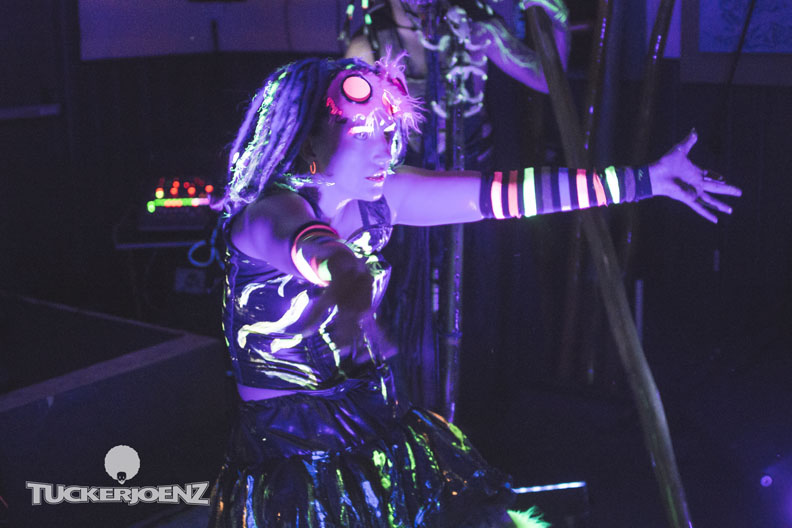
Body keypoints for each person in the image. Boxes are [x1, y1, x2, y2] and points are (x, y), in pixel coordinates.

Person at [206, 53, 740, 527]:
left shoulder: (380, 199)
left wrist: (646, 181)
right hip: (295, 457)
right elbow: (317, 249)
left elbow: (508, 195)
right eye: (362, 134)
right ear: (307, 137)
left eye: (388, 133)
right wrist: (348, 278)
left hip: (379, 426)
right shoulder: (269, 213)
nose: (382, 152)